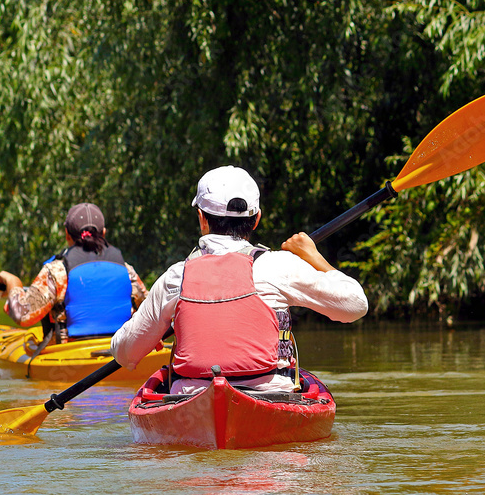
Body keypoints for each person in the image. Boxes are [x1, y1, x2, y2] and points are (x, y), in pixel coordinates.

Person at [111, 165, 367, 394]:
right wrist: (313, 256)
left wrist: (152, 332)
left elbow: (124, 353)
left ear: (202, 219)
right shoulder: (278, 266)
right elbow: (355, 306)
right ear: (256, 219)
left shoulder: (176, 277)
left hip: (191, 397)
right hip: (271, 393)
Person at [0, 203, 148, 344]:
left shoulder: (57, 272)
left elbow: (22, 315)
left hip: (71, 354)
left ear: (67, 234)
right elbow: (151, 311)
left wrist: (13, 283)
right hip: (121, 351)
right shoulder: (127, 271)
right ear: (104, 233)